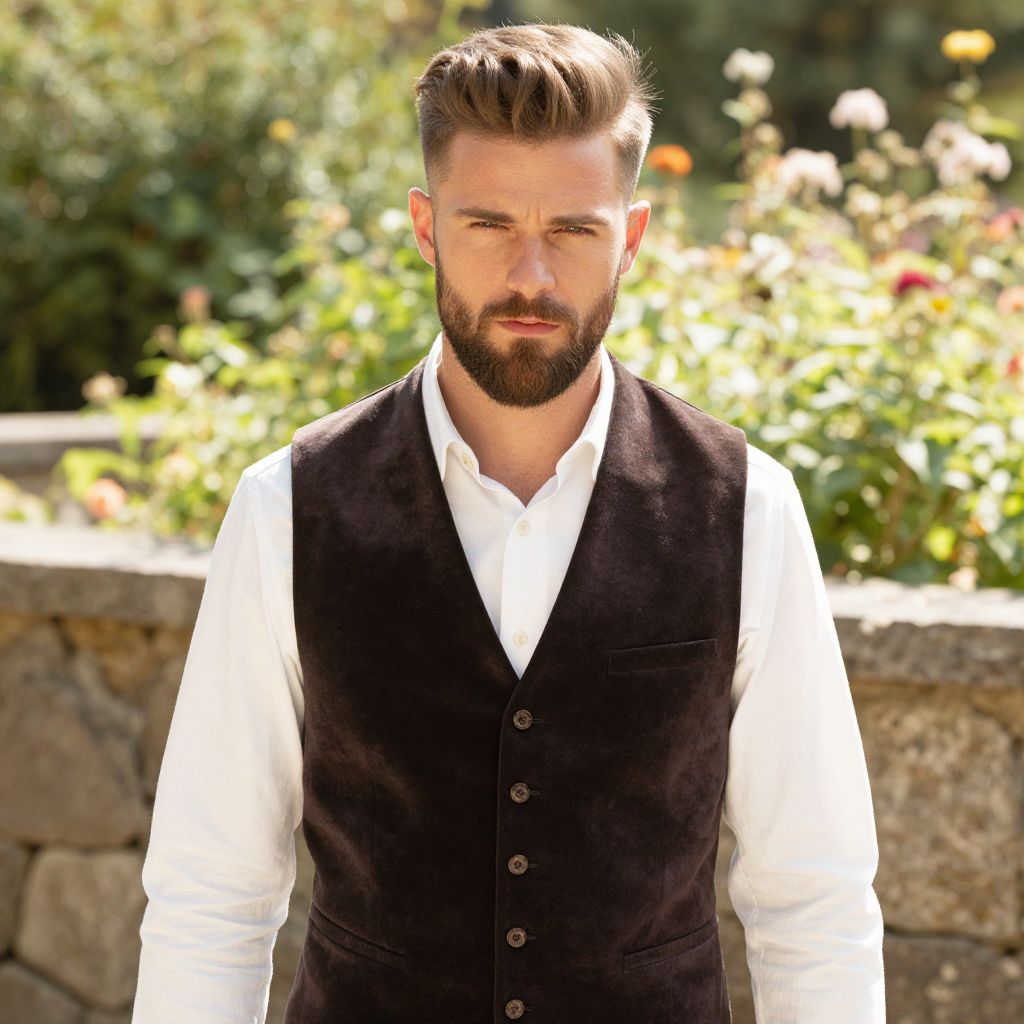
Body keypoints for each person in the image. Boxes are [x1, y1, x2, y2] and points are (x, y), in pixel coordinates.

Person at [132, 22, 885, 1024]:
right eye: (488, 224)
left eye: (572, 230)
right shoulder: (291, 507)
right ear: (425, 225)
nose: (530, 276)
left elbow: (812, 894)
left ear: (634, 234)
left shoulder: (742, 505)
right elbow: (212, 890)